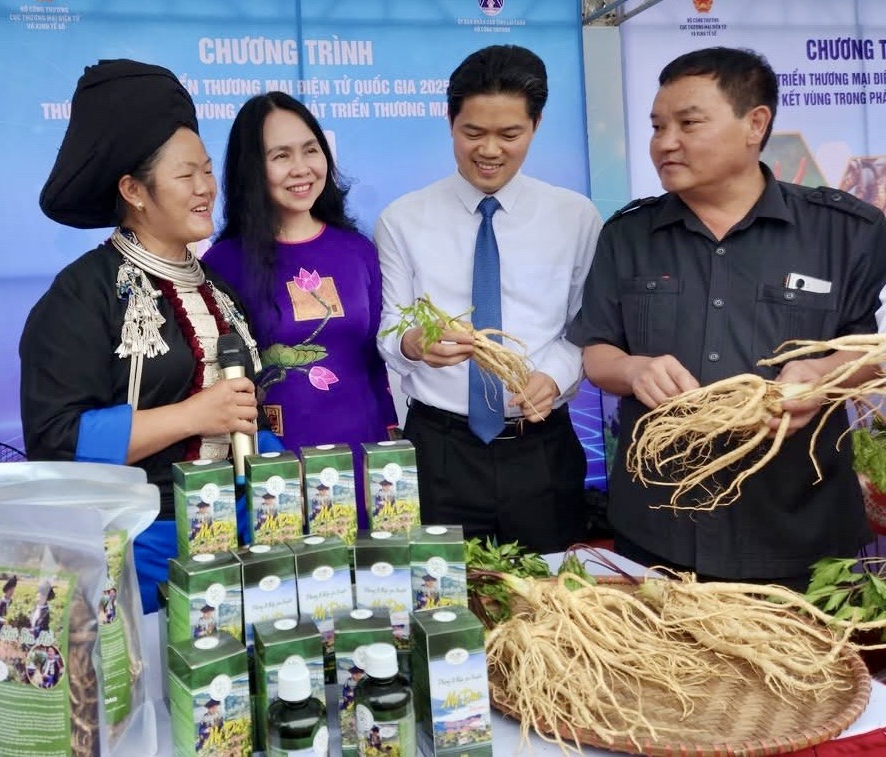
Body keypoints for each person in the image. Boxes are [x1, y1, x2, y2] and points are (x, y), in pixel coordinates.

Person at [568, 47, 886, 589]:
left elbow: (866, 351)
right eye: (657, 126)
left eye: (688, 123)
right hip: (660, 525)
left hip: (794, 531)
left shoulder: (844, 232)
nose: (665, 142)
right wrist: (635, 370)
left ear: (754, 124)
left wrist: (820, 373)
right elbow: (597, 352)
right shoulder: (628, 235)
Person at [21, 59, 280, 613]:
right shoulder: (81, 296)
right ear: (134, 190)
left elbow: (242, 417)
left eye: (207, 171)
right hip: (143, 549)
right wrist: (194, 416)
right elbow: (56, 441)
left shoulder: (220, 289)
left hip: (245, 537)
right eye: (187, 176)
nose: (206, 188)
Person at [376, 45, 602, 552]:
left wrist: (557, 377)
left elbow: (584, 326)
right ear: (450, 121)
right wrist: (413, 342)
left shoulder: (575, 216)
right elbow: (390, 326)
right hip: (439, 448)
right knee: (443, 601)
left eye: (509, 134)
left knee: (550, 604)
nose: (490, 150)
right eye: (473, 133)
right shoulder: (402, 219)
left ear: (537, 125)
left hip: (541, 445)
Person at [205, 92, 397, 527]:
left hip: (362, 452)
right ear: (253, 169)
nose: (301, 167)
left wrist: (389, 443)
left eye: (311, 149)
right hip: (277, 463)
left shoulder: (357, 250)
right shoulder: (224, 263)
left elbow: (374, 361)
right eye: (280, 155)